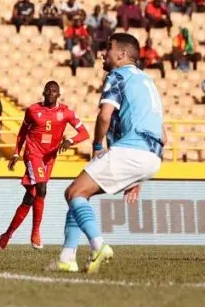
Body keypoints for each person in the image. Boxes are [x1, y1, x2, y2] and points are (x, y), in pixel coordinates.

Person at [53, 33, 166, 273]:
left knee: (73, 192)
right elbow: (164, 135)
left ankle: (98, 245)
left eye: (109, 47)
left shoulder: (117, 75)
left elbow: (104, 115)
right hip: (153, 156)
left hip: (132, 149)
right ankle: (66, 258)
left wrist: (96, 147)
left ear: (122, 54)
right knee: (80, 193)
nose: (104, 53)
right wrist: (139, 176)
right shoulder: (148, 82)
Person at [0, 81, 88, 250]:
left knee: (30, 197)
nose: (50, 93)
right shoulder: (33, 110)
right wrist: (17, 153)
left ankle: (7, 234)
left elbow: (84, 133)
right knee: (42, 188)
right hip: (33, 154)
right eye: (48, 91)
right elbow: (22, 133)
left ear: (58, 94)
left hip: (49, 158)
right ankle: (36, 233)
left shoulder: (66, 112)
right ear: (43, 92)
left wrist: (70, 140)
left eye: (54, 91)